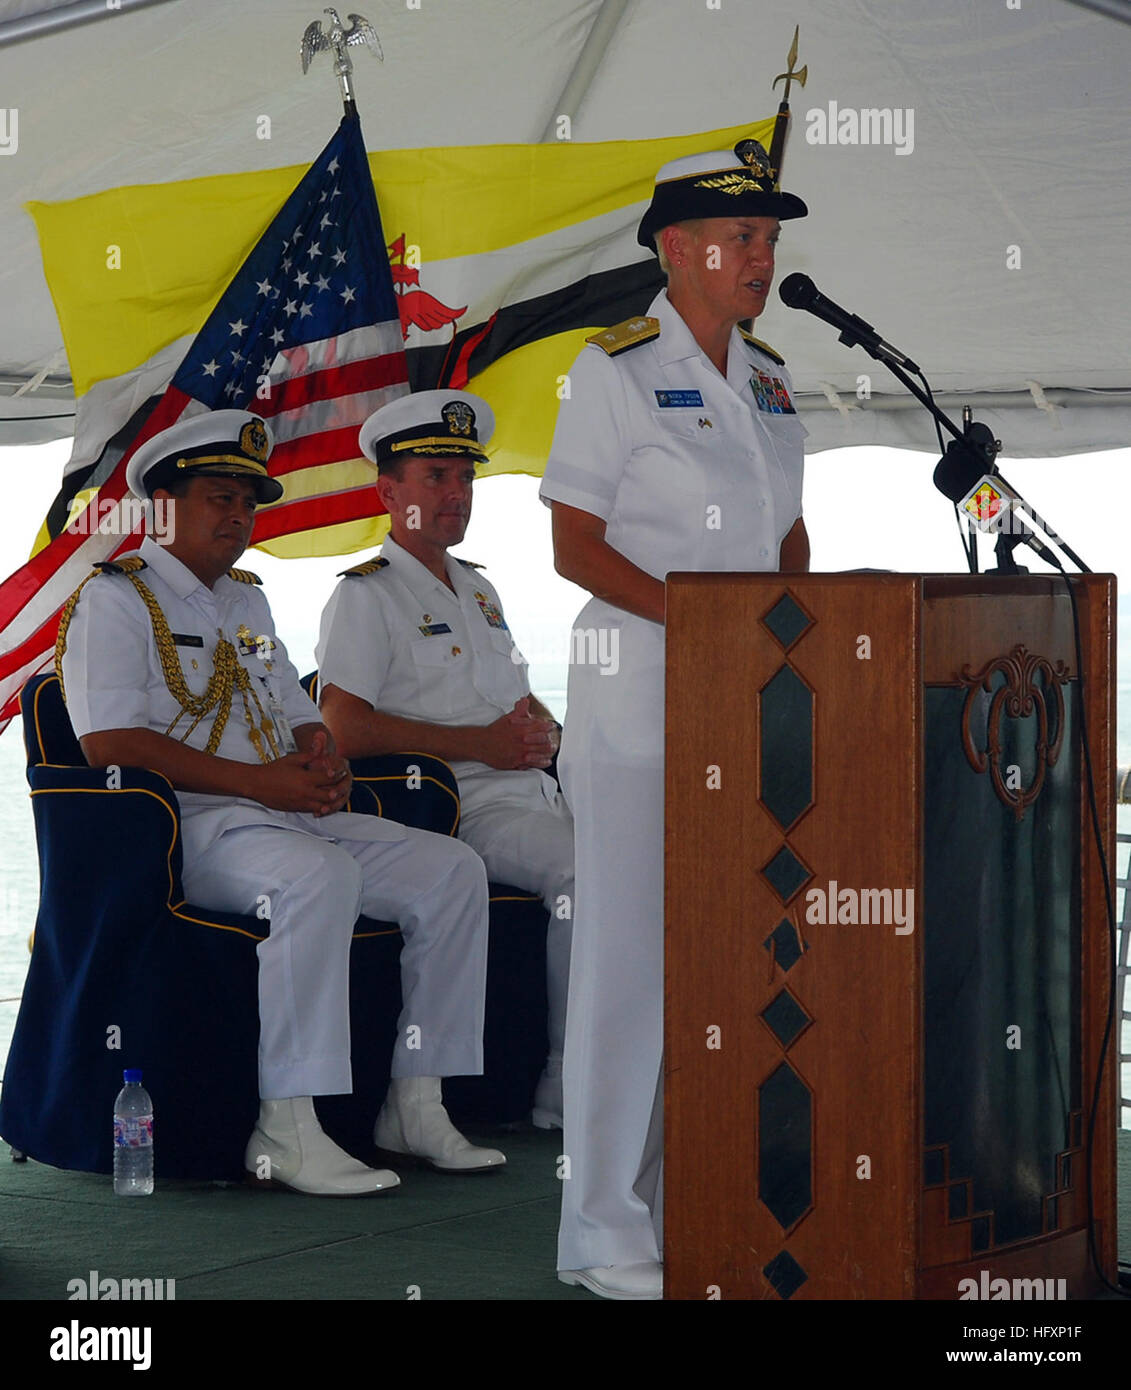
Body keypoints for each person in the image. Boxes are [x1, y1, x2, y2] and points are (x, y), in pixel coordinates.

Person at [57, 410, 506, 1196]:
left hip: (283, 811)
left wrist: (316, 750)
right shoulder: (116, 601)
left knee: (450, 869)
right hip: (186, 827)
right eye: (218, 497)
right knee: (316, 878)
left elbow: (289, 698)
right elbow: (107, 744)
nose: (238, 516)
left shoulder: (247, 603)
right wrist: (260, 784)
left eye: (247, 502)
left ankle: (417, 1100)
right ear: (161, 506)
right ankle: (290, 1127)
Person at [539, 141, 811, 1299]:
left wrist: (795, 629)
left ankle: (682, 1195)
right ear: (676, 247)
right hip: (641, 709)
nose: (762, 256)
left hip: (747, 712)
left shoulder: (771, 377)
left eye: (769, 239)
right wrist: (701, 626)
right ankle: (601, 1228)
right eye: (742, 238)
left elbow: (786, 535)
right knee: (626, 967)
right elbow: (573, 542)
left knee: (718, 967)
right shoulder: (616, 369)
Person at [316, 390, 573, 1128]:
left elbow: (521, 699)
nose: (455, 494)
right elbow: (341, 726)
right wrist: (481, 747)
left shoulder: (480, 588)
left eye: (464, 479)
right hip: (459, 806)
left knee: (664, 844)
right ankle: (565, 1081)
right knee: (585, 873)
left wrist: (550, 737)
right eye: (435, 476)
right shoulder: (365, 598)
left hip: (533, 790)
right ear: (388, 491)